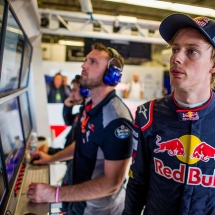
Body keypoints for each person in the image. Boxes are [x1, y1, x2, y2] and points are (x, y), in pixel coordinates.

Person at [123, 13, 215, 215]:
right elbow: (137, 182)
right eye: (175, 49)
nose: (176, 58)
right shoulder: (147, 115)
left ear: (213, 66)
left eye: (191, 51)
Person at [28, 43, 133, 215]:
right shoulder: (90, 106)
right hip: (77, 204)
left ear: (111, 75)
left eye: (92, 62)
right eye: (85, 60)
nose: (83, 65)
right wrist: (51, 158)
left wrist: (55, 194)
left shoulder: (117, 120)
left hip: (98, 211)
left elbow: (111, 183)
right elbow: (82, 144)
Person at [37, 77, 85, 155]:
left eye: (74, 90)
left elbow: (75, 153)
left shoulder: (87, 116)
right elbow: (68, 121)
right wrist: (67, 106)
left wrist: (50, 152)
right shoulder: (82, 112)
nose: (71, 94)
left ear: (85, 92)